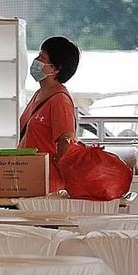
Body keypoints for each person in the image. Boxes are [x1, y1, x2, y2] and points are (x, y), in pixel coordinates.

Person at [18, 36, 81, 193]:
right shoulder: (39, 95)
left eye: (42, 57)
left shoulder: (59, 100)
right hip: (30, 180)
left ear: (55, 68)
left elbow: (66, 142)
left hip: (49, 185)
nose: (36, 60)